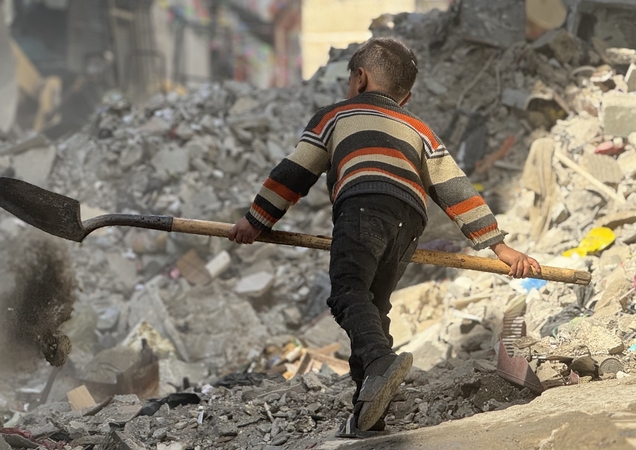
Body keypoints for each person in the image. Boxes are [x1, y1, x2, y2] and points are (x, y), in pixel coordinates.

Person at [228, 37, 541, 433]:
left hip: (363, 203)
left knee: (347, 292)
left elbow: (295, 171)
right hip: (409, 219)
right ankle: (368, 412)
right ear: (405, 98)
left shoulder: (335, 117)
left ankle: (380, 363)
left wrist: (255, 221)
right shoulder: (419, 129)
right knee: (372, 308)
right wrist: (498, 246)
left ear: (359, 79)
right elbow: (455, 187)